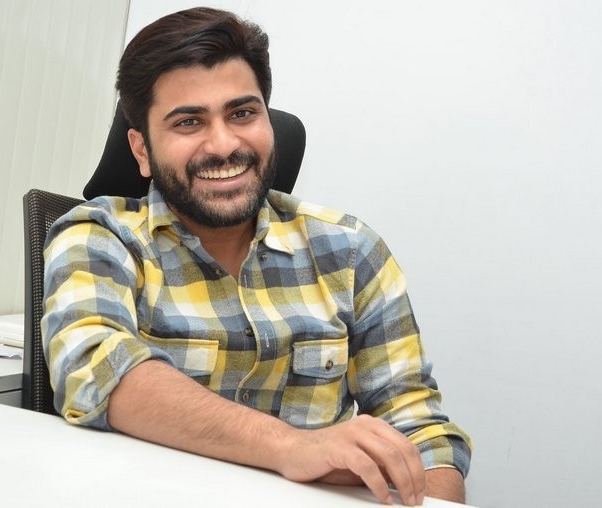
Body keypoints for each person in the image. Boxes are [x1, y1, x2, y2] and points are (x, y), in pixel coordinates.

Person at [41, 7, 471, 505]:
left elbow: (420, 429)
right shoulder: (98, 236)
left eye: (242, 113)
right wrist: (292, 447)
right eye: (188, 122)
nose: (224, 144)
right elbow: (97, 370)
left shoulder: (351, 251)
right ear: (141, 150)